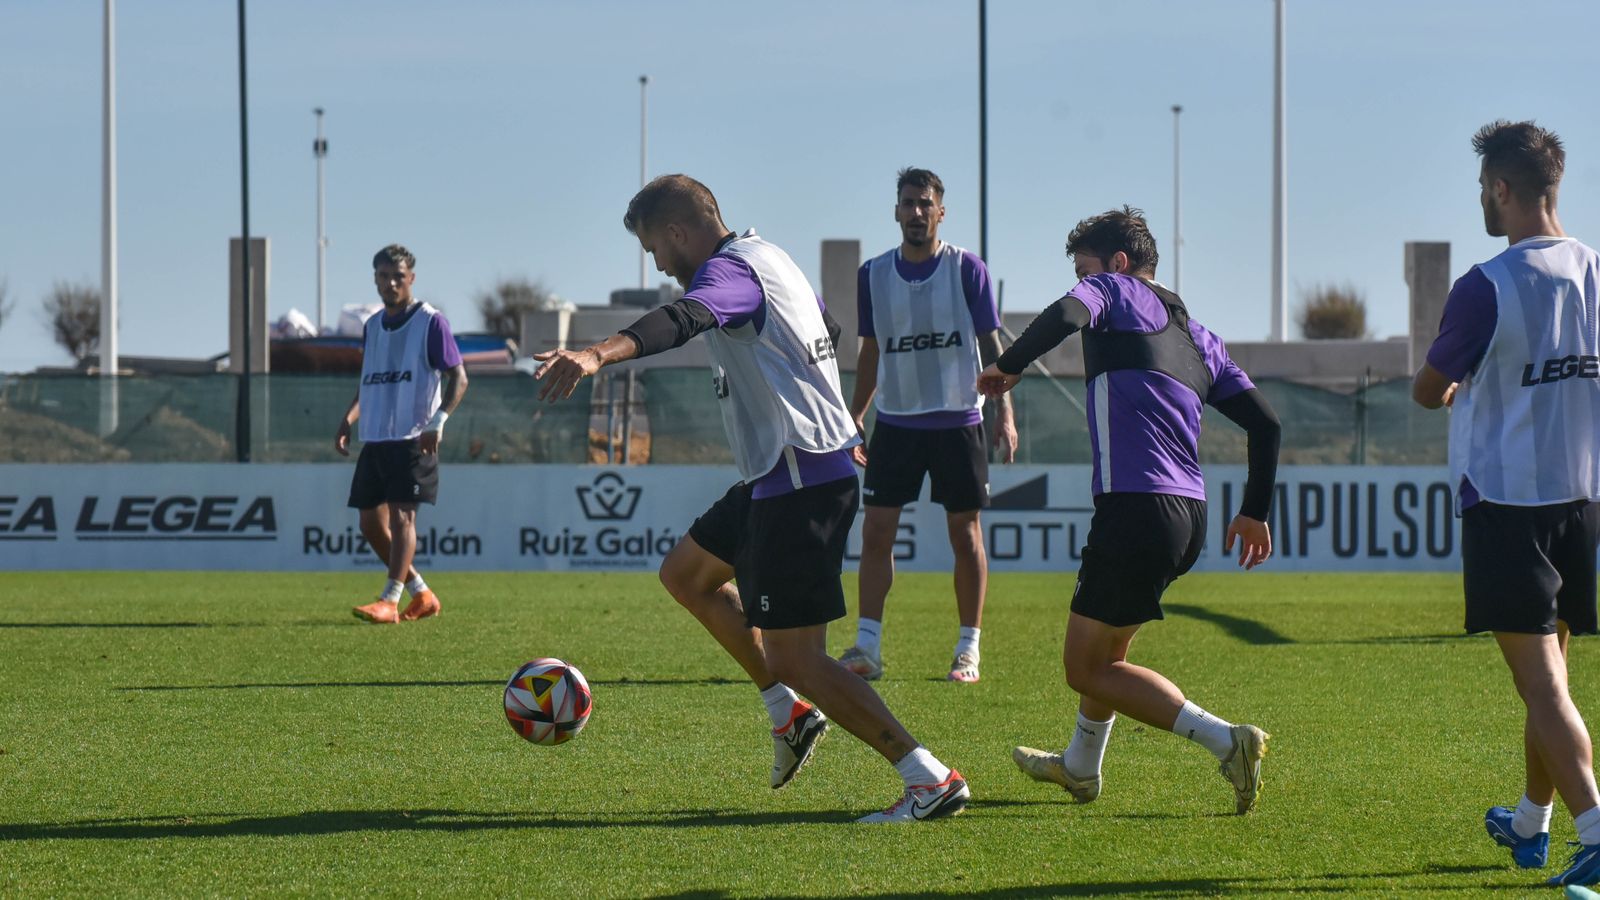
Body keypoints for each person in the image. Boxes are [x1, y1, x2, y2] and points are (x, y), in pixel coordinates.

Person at [534, 174, 968, 823]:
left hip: (802, 474)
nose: (658, 263)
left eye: (656, 249)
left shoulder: (729, 274)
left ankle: (927, 778)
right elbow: (827, 326)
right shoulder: (772, 256)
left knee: (799, 655)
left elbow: (684, 318)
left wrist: (598, 354)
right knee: (686, 575)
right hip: (783, 470)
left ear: (679, 233)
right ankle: (788, 714)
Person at [977, 206, 1280, 815]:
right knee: (1107, 658)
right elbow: (1266, 425)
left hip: (1137, 510)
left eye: (1085, 270)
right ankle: (1081, 768)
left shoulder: (1115, 291)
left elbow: (1065, 315)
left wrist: (1008, 366)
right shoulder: (1198, 335)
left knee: (1082, 668)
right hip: (1186, 513)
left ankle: (1228, 742)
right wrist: (1254, 511)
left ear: (1118, 265)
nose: (1081, 282)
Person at [1412, 120, 1600, 887]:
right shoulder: (1595, 270)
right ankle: (1531, 820)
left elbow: (1429, 390)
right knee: (1550, 676)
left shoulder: (1485, 285)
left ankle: (1595, 826)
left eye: (1483, 189)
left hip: (1506, 503)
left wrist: (1451, 384)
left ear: (1501, 188)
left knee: (1541, 685)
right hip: (1581, 500)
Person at [837, 167, 1017, 685]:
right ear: (896, 211)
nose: (916, 212)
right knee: (876, 530)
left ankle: (968, 649)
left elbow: (992, 344)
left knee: (965, 534)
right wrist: (855, 414)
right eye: (908, 203)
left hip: (959, 420)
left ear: (941, 212)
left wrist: (1004, 411)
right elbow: (870, 351)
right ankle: (867, 646)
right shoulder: (873, 274)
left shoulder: (967, 269)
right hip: (896, 423)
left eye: (925, 204)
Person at [337, 244, 469, 624]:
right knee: (369, 523)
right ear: (375, 279)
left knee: (402, 520)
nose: (391, 283)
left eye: (398, 276)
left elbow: (459, 376)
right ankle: (420, 592)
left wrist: (438, 420)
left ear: (411, 278)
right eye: (383, 276)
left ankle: (390, 600)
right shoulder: (372, 325)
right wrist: (348, 419)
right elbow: (369, 382)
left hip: (414, 436)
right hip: (375, 437)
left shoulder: (430, 321)